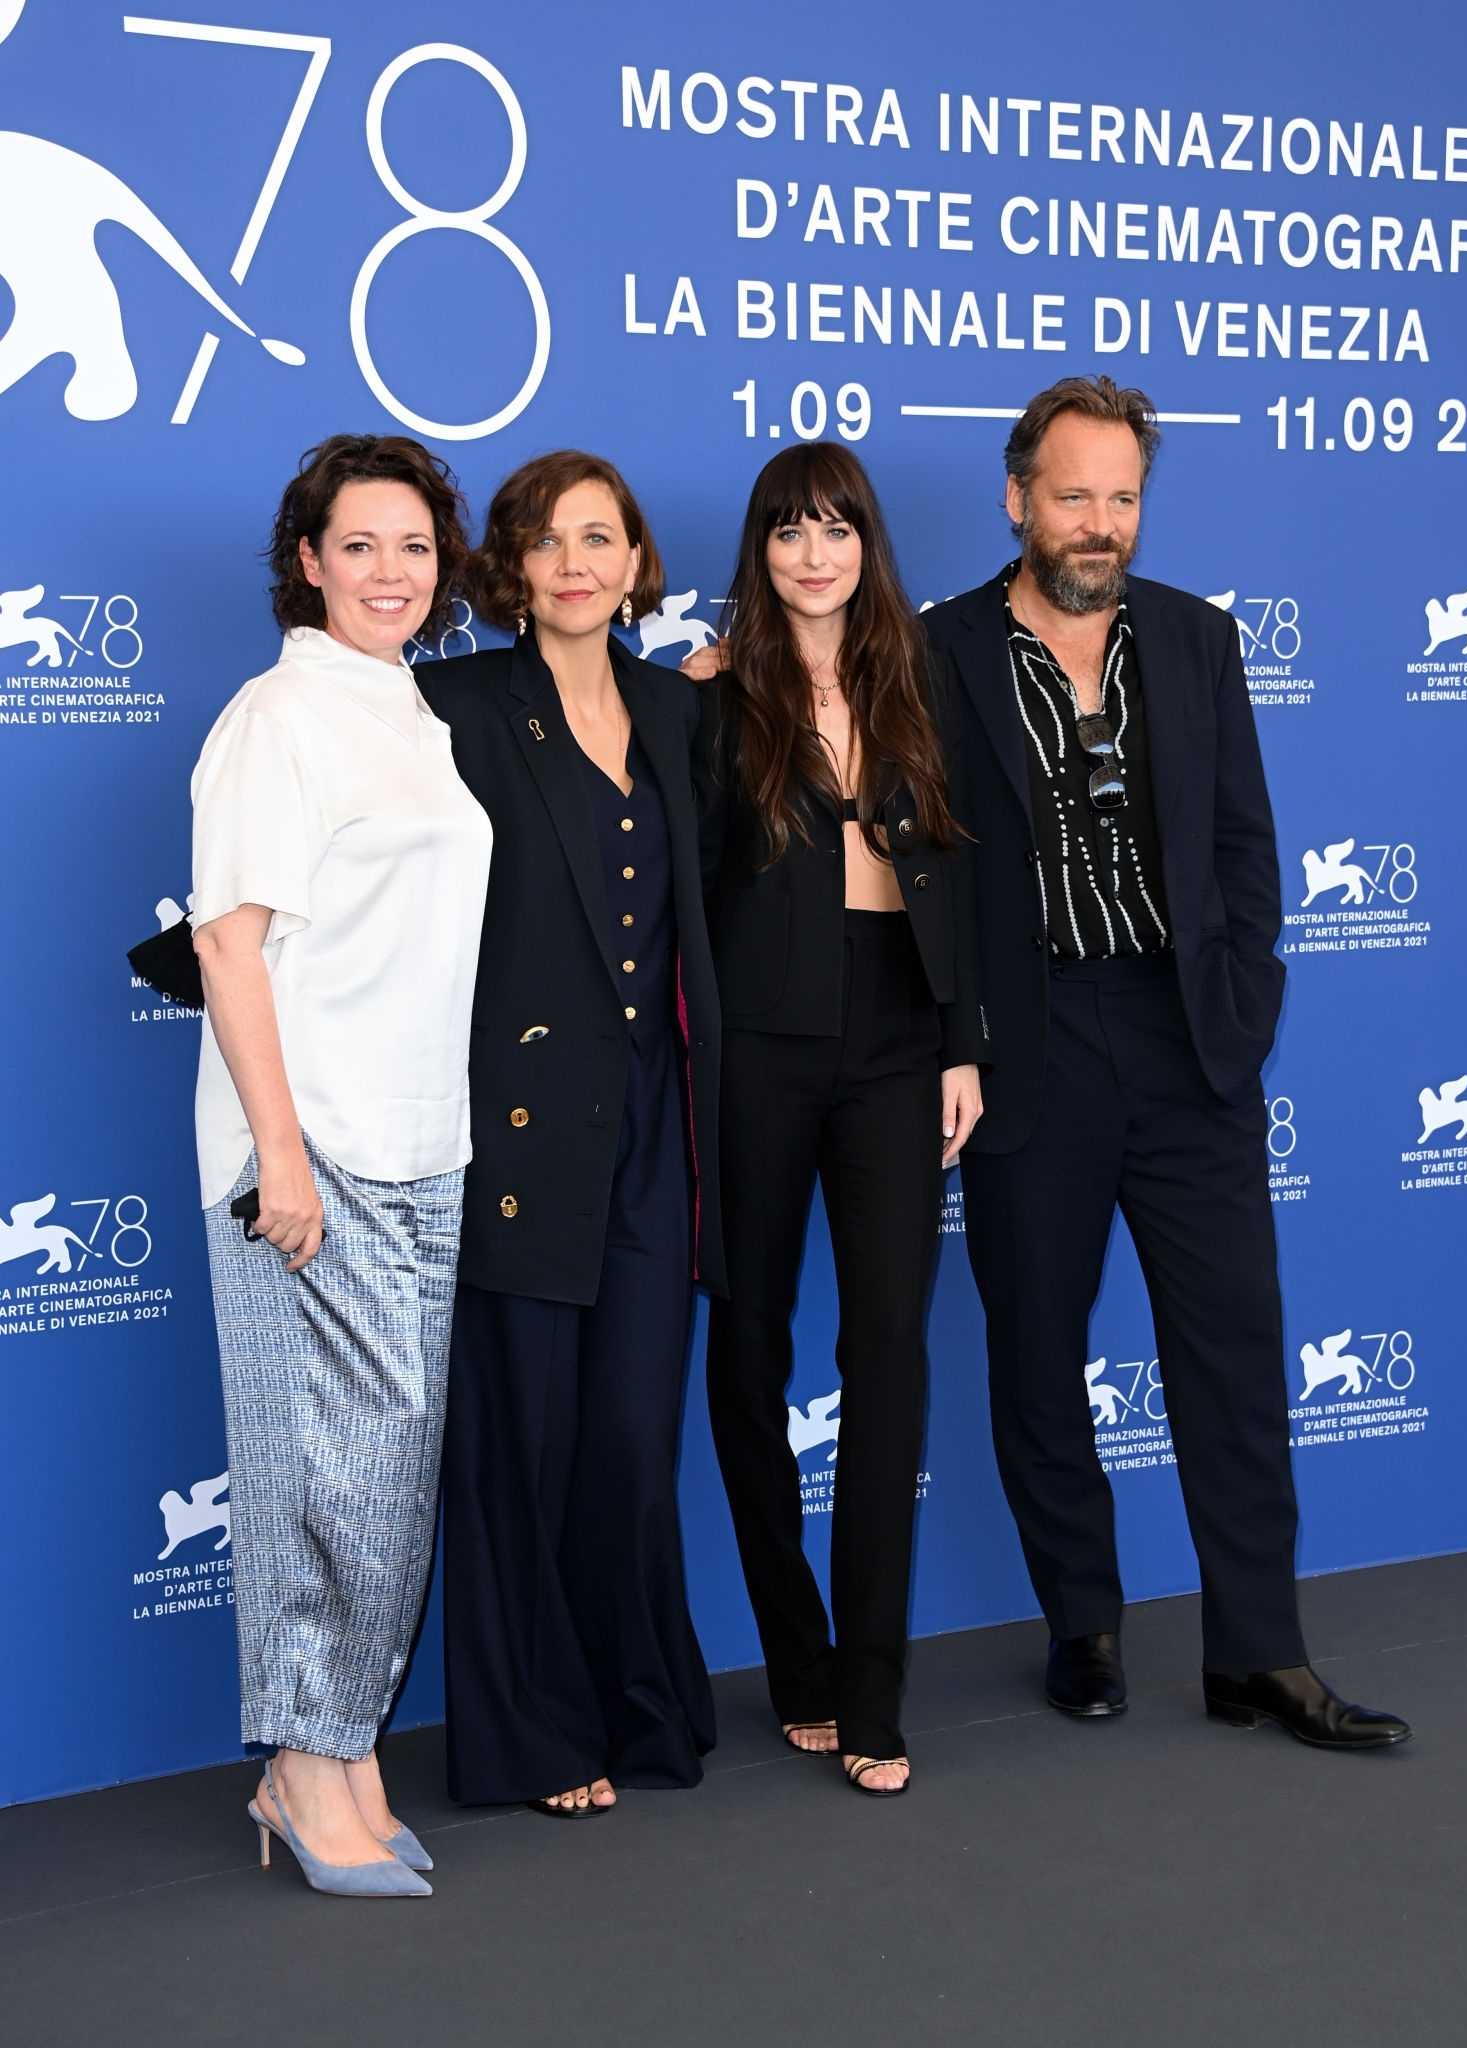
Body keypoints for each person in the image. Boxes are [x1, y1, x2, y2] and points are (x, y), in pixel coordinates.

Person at [922, 376, 1409, 1750]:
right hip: (1035, 1053)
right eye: (1072, 495)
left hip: (1189, 1044)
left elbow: (1246, 841)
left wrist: (1242, 1009)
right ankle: (1082, 1624)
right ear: (1019, 499)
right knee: (1036, 1355)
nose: (1099, 523)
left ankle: (1259, 1651)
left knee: (1238, 1357)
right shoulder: (940, 649)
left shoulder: (1196, 640)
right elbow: (915, 860)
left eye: (1121, 497)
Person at [191, 433, 493, 1897]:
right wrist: (282, 1158)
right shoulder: (277, 717)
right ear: (306, 560)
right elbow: (228, 944)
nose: (391, 572)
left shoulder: (410, 711)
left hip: (422, 1142)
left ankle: (339, 1756)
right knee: (324, 1477)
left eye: (416, 547)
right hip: (314, 1157)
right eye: (360, 545)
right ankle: (308, 1775)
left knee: (384, 1478)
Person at [419, 451, 725, 1819]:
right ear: (510, 567)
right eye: (546, 540)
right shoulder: (456, 702)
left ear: (637, 559)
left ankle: (639, 1705)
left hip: (656, 1128)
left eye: (599, 538)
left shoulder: (682, 711)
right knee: (521, 1444)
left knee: (629, 1439)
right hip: (515, 1128)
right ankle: (534, 1736)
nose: (574, 562)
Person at [686, 443, 986, 1798]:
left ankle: (872, 1690)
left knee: (892, 1360)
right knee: (748, 1356)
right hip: (756, 1047)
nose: (816, 552)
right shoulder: (709, 694)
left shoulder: (917, 680)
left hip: (897, 1044)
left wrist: (960, 1045)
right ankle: (793, 1654)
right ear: (759, 548)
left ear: (869, 544)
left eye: (838, 527)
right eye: (789, 529)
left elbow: (965, 879)